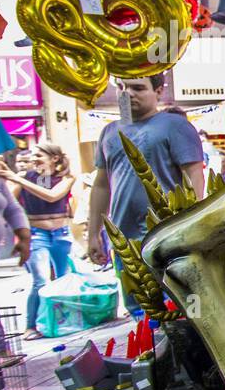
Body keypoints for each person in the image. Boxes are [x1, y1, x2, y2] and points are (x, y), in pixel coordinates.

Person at [87, 74, 205, 315]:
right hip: (125, 240)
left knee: (181, 309)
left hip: (168, 237)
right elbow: (101, 185)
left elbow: (194, 177)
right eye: (122, 87)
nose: (128, 93)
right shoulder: (109, 132)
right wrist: (93, 233)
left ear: (159, 91)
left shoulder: (175, 126)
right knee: (140, 311)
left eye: (138, 88)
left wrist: (193, 229)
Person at [0, 143, 76, 339]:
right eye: (32, 155)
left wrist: (17, 178)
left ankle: (62, 322)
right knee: (40, 280)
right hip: (36, 234)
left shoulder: (66, 178)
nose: (33, 159)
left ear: (54, 158)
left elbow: (52, 196)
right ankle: (31, 326)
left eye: (38, 155)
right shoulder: (24, 178)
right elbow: (9, 203)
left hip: (61, 233)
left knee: (63, 279)